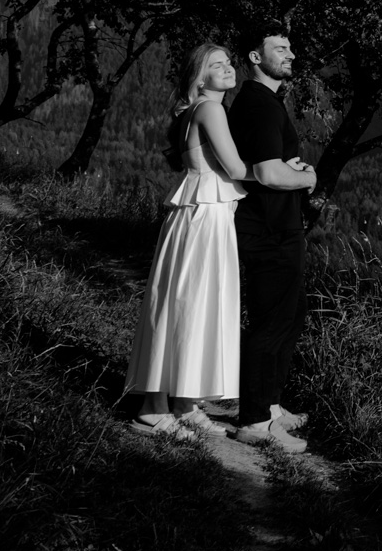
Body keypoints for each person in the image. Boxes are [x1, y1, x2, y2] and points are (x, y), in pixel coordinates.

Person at [126, 43, 249, 438]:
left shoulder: (196, 110)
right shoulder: (211, 109)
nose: (229, 68)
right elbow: (235, 168)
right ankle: (153, 406)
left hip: (201, 213)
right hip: (204, 215)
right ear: (200, 77)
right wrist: (284, 171)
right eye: (218, 64)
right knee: (187, 302)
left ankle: (182, 400)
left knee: (190, 301)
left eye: (230, 61)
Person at [226, 22, 317, 452]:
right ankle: (254, 421)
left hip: (279, 227)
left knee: (289, 317)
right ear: (255, 57)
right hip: (268, 230)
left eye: (290, 47)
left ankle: (271, 407)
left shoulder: (266, 102)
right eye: (280, 48)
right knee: (270, 323)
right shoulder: (259, 104)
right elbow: (266, 172)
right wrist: (306, 177)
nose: (291, 54)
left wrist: (293, 172)